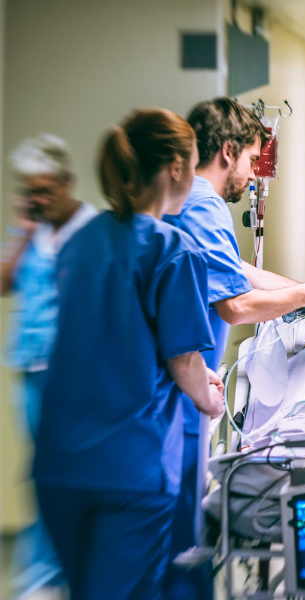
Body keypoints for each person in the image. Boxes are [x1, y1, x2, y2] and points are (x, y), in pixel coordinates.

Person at [162, 97, 305, 599]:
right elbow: (237, 305)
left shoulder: (189, 203)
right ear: (228, 151)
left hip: (183, 380)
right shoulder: (205, 204)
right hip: (183, 387)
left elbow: (239, 272)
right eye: (250, 160)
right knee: (177, 530)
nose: (252, 173)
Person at [32, 108, 225, 600]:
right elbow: (183, 362)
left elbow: (105, 337)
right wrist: (210, 397)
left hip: (60, 462)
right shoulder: (173, 249)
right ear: (178, 168)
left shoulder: (80, 241)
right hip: (131, 469)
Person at [1, 134, 96, 600]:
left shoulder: (92, 228)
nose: (37, 198)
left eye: (44, 189)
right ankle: (41, 577)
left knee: (70, 473)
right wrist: (22, 227)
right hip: (31, 369)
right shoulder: (30, 230)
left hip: (76, 376)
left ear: (66, 181)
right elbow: (4, 282)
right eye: (29, 190)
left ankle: (67, 571)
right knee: (42, 473)